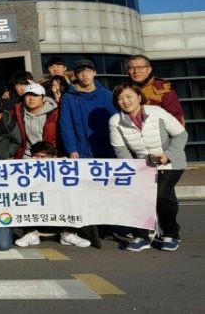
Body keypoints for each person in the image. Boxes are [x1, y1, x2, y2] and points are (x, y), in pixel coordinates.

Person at [109, 83, 188, 252]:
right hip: (142, 166)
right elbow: (121, 149)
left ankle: (170, 234)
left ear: (139, 97)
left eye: (129, 96)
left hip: (171, 162)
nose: (125, 101)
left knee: (162, 195)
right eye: (120, 98)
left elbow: (181, 135)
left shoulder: (157, 112)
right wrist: (134, 169)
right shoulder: (115, 121)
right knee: (139, 197)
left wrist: (167, 155)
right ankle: (142, 236)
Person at [14, 141, 92, 248]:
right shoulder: (25, 168)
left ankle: (68, 234)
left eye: (43, 157)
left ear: (54, 157)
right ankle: (32, 233)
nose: (39, 160)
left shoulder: (63, 166)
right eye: (35, 156)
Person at [59, 59, 116, 159]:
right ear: (76, 75)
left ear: (94, 72)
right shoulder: (68, 97)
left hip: (106, 150)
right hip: (79, 151)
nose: (84, 75)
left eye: (88, 71)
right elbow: (66, 125)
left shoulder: (108, 95)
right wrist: (71, 149)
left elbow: (115, 123)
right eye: (80, 72)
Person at [126, 54, 185, 125]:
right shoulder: (123, 90)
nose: (136, 71)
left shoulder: (162, 89)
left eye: (140, 67)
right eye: (131, 68)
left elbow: (177, 120)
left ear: (149, 70)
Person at [10, 83, 60, 159]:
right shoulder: (17, 112)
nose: (31, 98)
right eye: (28, 95)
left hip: (49, 156)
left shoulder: (55, 113)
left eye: (35, 95)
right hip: (26, 156)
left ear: (43, 98)